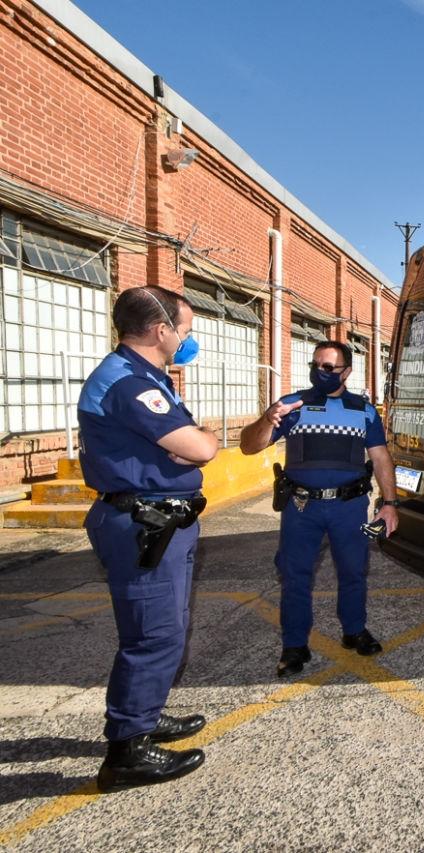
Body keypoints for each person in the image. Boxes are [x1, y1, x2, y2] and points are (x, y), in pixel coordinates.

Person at [78, 285, 219, 792]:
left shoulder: (146, 378)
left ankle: (145, 714)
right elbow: (199, 446)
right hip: (142, 524)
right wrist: (202, 442)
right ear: (161, 331)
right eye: (185, 331)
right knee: (152, 634)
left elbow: (187, 447)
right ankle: (126, 754)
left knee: (168, 627)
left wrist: (192, 446)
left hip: (161, 521)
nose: (187, 339)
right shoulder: (130, 385)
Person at [240, 340, 399, 678]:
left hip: (349, 507)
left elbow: (381, 457)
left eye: (329, 367)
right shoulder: (292, 405)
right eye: (316, 365)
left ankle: (354, 631)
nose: (320, 372)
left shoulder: (364, 410)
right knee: (295, 577)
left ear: (347, 372)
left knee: (354, 572)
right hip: (302, 508)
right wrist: (268, 420)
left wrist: (389, 503)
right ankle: (294, 645)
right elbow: (248, 446)